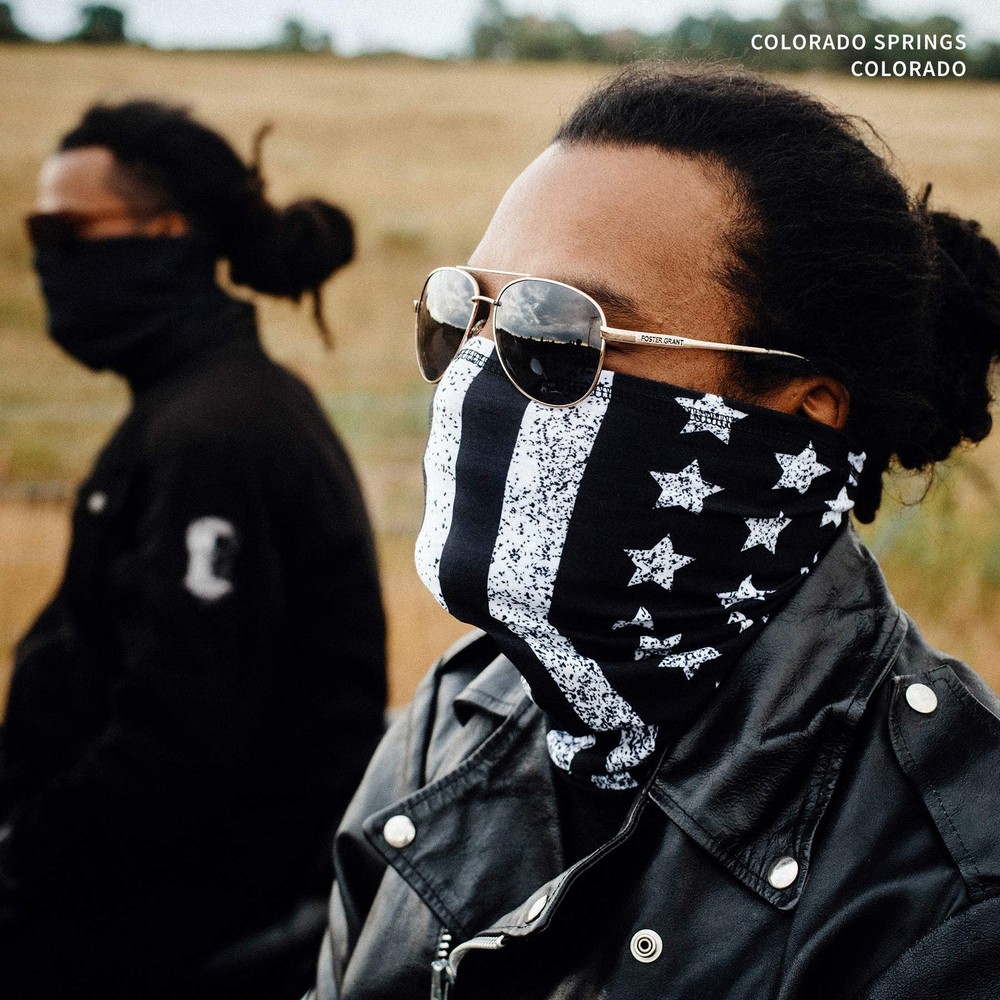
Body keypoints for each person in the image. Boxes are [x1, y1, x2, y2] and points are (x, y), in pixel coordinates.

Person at [310, 65, 1000, 1000]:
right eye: (460, 314)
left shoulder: (954, 883)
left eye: (559, 339)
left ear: (800, 415)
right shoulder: (461, 716)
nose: (474, 379)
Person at [1, 101, 387, 998]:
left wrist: (21, 862)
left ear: (168, 234)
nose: (44, 259)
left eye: (62, 231)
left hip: (186, 930)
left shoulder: (214, 437)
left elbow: (179, 742)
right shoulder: (206, 404)